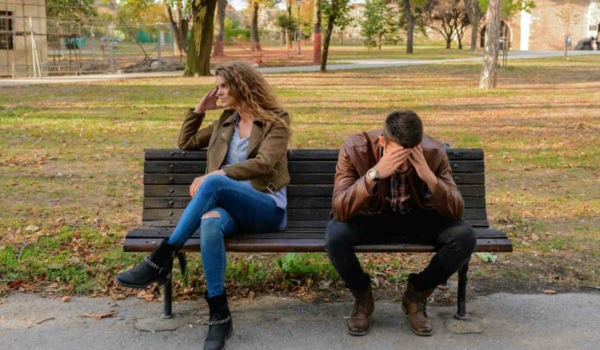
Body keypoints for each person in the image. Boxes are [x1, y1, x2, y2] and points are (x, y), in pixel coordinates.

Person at [116, 62, 292, 350]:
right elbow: (185, 142)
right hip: (229, 208)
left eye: (223, 86)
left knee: (214, 183)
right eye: (217, 86)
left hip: (266, 207)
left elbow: (264, 164)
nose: (218, 91)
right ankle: (219, 316)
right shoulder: (225, 122)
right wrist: (199, 109)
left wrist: (218, 174)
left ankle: (161, 258)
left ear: (241, 86)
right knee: (210, 222)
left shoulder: (275, 120)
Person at [325, 110, 476, 337]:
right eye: (397, 157)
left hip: (416, 219)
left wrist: (428, 176)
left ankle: (417, 294)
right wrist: (373, 175)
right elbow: (340, 210)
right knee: (335, 236)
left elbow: (455, 210)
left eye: (409, 157)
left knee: (464, 237)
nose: (403, 165)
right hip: (370, 219)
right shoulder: (355, 148)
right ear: (382, 142)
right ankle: (362, 297)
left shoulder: (433, 152)